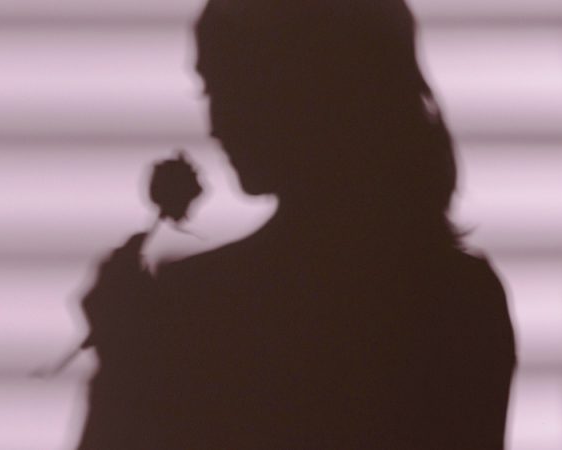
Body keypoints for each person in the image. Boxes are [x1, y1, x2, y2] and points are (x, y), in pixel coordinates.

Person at [76, 0, 516, 448]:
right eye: (209, 91)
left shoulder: (194, 309)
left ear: (312, 88)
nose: (215, 124)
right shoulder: (464, 299)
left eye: (233, 87)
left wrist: (127, 365)